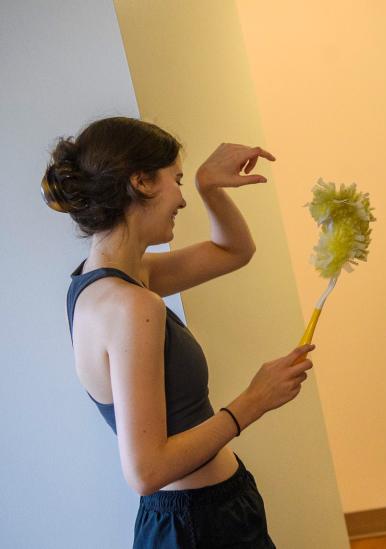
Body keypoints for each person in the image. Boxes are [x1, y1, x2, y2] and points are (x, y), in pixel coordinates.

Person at [43, 116, 314, 548]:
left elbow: (233, 251)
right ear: (142, 182)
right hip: (197, 527)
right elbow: (146, 471)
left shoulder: (103, 281)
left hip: (208, 514)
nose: (182, 200)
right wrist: (254, 401)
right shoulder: (132, 305)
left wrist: (212, 187)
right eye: (179, 180)